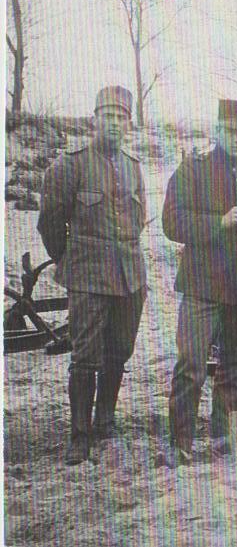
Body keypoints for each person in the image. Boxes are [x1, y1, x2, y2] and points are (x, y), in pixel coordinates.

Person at [162, 99, 237, 466]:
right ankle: (179, 441)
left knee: (236, 365)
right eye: (232, 131)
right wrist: (220, 221)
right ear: (217, 131)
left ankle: (224, 435)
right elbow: (172, 223)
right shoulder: (192, 171)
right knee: (192, 363)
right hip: (202, 286)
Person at [37, 85, 148, 466]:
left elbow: (137, 220)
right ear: (94, 120)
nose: (115, 124)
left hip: (130, 276)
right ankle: (79, 435)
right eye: (108, 116)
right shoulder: (69, 165)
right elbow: (50, 223)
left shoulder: (133, 166)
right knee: (85, 355)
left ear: (129, 124)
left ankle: (105, 421)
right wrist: (70, 261)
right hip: (88, 276)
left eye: (122, 118)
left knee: (120, 351)